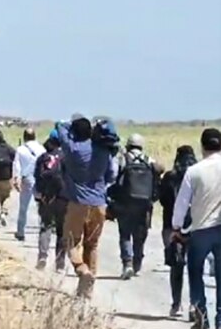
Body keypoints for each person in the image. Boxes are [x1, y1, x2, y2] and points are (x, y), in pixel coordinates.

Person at [56, 115, 117, 299]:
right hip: (99, 204)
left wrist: (67, 123)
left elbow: (60, 126)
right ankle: (86, 292)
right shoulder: (103, 150)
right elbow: (111, 175)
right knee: (92, 245)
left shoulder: (73, 149)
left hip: (78, 204)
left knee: (71, 242)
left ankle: (82, 270)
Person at [172, 128, 221, 329]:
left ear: (202, 147)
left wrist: (176, 227)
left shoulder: (194, 171)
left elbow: (182, 203)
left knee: (195, 272)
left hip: (200, 229)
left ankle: (201, 317)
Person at [109, 134, 162, 279]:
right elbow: (160, 169)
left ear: (128, 145)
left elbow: (113, 177)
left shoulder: (122, 159)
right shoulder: (148, 160)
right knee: (140, 236)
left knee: (125, 234)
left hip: (124, 203)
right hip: (144, 205)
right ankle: (137, 264)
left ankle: (127, 264)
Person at [159, 145, 197, 319]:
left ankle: (176, 305)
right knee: (195, 267)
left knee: (177, 265)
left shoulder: (169, 177)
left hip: (171, 225)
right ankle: (194, 305)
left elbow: (162, 200)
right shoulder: (198, 175)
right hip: (196, 225)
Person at [33, 133, 67, 271]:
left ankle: (42, 256)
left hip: (46, 197)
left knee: (45, 226)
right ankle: (60, 263)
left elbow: (36, 177)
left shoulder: (42, 158)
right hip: (62, 197)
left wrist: (40, 195)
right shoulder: (65, 158)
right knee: (61, 230)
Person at [12, 128, 44, 241]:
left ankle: (20, 232)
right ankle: (43, 230)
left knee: (23, 207)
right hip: (40, 179)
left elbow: (17, 166)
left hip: (27, 179)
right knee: (41, 205)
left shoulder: (20, 149)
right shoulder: (41, 148)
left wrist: (17, 179)